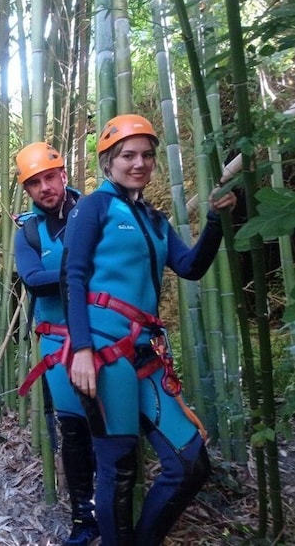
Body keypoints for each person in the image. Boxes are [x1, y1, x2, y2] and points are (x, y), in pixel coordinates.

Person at [62, 114, 238, 545]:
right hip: (104, 352)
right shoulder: (93, 207)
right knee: (118, 467)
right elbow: (74, 276)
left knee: (191, 463)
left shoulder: (155, 220)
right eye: (128, 155)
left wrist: (215, 220)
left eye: (146, 155)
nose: (138, 163)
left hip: (148, 355)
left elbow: (190, 267)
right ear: (108, 162)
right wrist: (81, 348)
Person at [12, 142, 99, 546]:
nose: (45, 187)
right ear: (27, 190)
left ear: (64, 174)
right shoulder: (28, 231)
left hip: (105, 337)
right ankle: (84, 517)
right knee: (74, 427)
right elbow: (33, 279)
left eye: (50, 177)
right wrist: (82, 266)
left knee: (114, 425)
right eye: (35, 183)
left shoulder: (96, 211)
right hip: (58, 344)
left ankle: (114, 507)